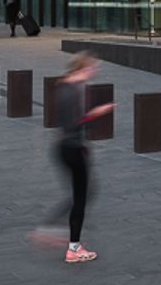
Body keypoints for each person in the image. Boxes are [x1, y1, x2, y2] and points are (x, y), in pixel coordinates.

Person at [41, 55, 113, 265]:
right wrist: (97, 112)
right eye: (93, 68)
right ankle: (72, 247)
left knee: (82, 194)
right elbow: (75, 123)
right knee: (82, 196)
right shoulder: (72, 91)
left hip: (65, 147)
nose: (95, 72)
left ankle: (54, 229)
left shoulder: (64, 87)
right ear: (83, 68)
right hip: (72, 148)